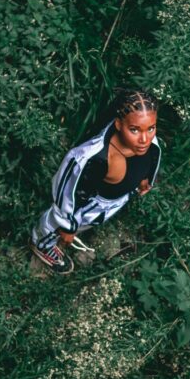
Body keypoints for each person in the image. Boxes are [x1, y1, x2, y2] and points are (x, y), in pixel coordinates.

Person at [29, 89, 162, 274]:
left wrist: (144, 178)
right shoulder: (92, 158)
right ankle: (41, 242)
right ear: (118, 124)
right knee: (56, 225)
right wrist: (67, 226)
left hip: (117, 198)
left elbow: (150, 155)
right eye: (134, 130)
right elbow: (67, 192)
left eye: (151, 128)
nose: (145, 139)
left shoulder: (144, 140)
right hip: (91, 206)